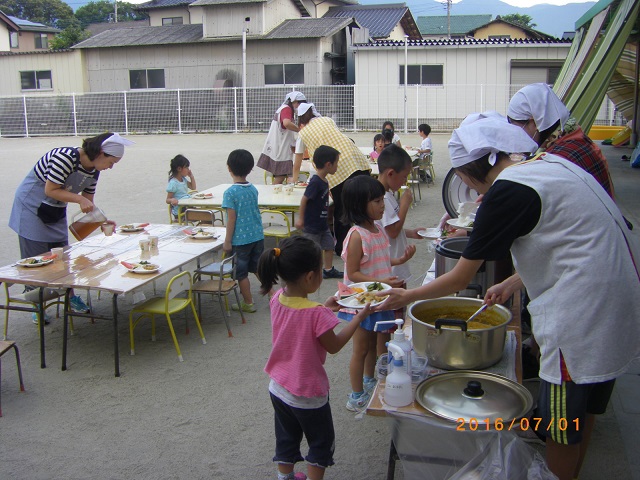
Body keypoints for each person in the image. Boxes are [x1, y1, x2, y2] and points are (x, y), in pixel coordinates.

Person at [377, 116, 640, 480]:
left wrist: (407, 295)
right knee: (584, 411)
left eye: (464, 178)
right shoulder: (548, 165)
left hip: (583, 314)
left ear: (470, 171)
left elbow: (461, 276)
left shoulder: (509, 188)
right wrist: (513, 283)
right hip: (617, 294)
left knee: (560, 427)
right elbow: (572, 241)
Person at [258, 236, 372, 480]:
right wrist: (358, 319)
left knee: (287, 437)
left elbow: (298, 319)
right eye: (320, 271)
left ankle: (285, 477)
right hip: (308, 393)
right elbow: (335, 346)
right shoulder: (316, 314)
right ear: (310, 277)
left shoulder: (277, 298)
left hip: (278, 386)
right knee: (321, 442)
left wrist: (326, 307)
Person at [9, 132, 134, 318]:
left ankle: (70, 296)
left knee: (62, 257)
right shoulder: (65, 157)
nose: (111, 167)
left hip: (55, 209)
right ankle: (37, 303)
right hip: (31, 207)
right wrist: (77, 198)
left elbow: (87, 201)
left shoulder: (94, 170)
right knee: (36, 259)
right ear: (101, 153)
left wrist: (101, 220)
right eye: (111, 162)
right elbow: (50, 189)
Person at [340, 175, 415, 412]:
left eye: (383, 199)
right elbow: (353, 273)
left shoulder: (378, 228)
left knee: (373, 345)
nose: (383, 205)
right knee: (361, 348)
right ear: (359, 204)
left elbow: (381, 257)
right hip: (361, 301)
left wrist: (400, 259)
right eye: (377, 201)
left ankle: (369, 379)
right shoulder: (356, 236)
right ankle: (355, 395)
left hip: (379, 299)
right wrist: (380, 281)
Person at [507, 83, 615, 198]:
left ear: (534, 122)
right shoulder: (574, 137)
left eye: (517, 127)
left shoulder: (559, 160)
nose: (517, 134)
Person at [296, 103, 371, 256]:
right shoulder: (327, 120)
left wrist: (294, 176)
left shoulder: (303, 133)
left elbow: (299, 157)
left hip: (339, 168)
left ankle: (343, 247)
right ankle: (368, 242)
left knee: (343, 212)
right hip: (357, 159)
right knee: (364, 206)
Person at [222, 149, 264, 313]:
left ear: (229, 168)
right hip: (257, 235)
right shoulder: (253, 188)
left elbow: (231, 219)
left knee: (241, 274)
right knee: (257, 267)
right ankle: (273, 293)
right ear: (250, 168)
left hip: (240, 240)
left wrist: (227, 241)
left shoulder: (230, 192)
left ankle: (248, 302)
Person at [295, 145, 343, 279]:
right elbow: (304, 200)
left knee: (329, 246)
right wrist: (300, 219)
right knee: (311, 250)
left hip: (323, 224)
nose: (337, 166)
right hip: (312, 225)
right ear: (328, 164)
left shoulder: (324, 181)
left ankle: (328, 269)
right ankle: (306, 272)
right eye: (336, 163)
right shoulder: (315, 182)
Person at [258, 91, 307, 185]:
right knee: (280, 176)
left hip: (277, 146)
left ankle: (275, 193)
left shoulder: (283, 109)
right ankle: (272, 195)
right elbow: (287, 123)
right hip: (280, 148)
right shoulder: (286, 109)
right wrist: (300, 130)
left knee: (282, 175)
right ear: (294, 101)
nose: (300, 106)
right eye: (300, 103)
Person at [165, 154, 196, 219]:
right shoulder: (173, 183)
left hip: (187, 206)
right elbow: (167, 199)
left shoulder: (183, 179)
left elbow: (193, 187)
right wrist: (172, 200)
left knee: (205, 213)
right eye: (186, 167)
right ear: (179, 169)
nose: (188, 170)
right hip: (180, 210)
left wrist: (191, 177)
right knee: (205, 215)